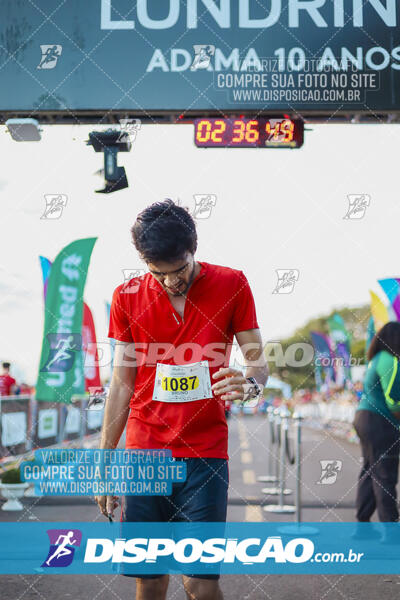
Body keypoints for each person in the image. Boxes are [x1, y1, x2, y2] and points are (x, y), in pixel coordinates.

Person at [95, 199, 268, 600]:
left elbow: (258, 362)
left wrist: (251, 384)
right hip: (145, 455)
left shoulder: (232, 283)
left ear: (193, 249)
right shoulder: (126, 296)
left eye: (179, 270)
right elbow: (120, 385)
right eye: (159, 273)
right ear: (143, 261)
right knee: (150, 580)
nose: (171, 282)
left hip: (205, 454)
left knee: (201, 582)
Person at [353, 321, 400, 524]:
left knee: (370, 470)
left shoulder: (376, 358)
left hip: (365, 417)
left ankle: (362, 522)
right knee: (385, 474)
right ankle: (390, 531)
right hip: (379, 421)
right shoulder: (390, 360)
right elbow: (394, 401)